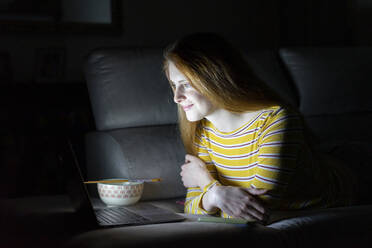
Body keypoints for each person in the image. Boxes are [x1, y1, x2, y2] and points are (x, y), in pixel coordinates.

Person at [162, 33, 353, 223]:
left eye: (186, 84)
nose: (176, 97)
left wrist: (205, 183)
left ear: (214, 78)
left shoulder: (276, 120)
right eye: (174, 85)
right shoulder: (203, 131)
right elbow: (192, 208)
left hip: (353, 180)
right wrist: (215, 195)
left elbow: (255, 211)